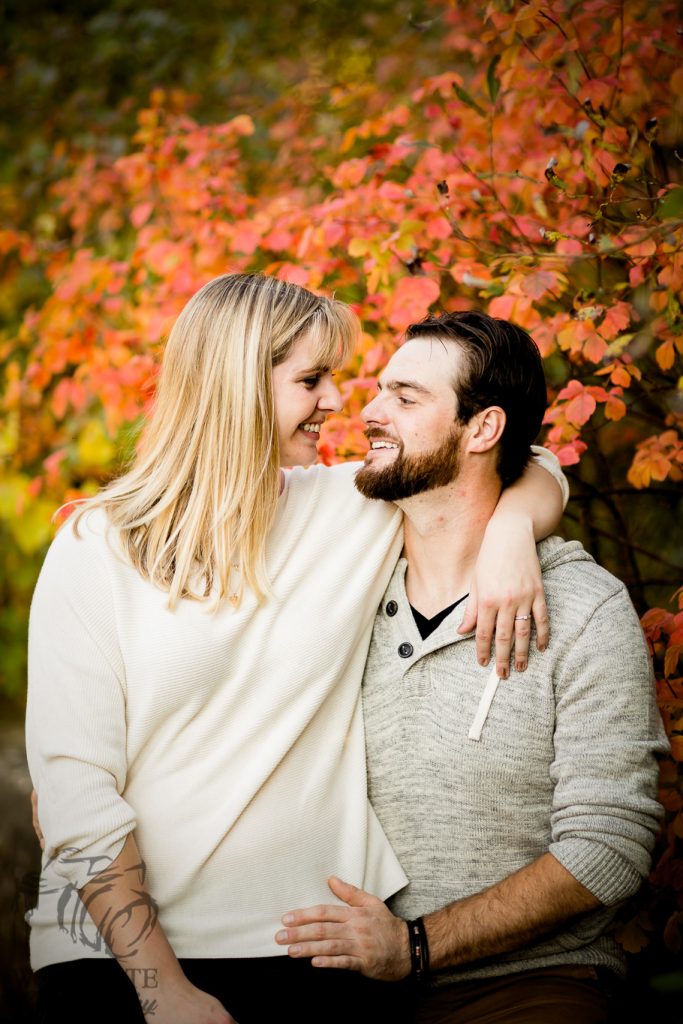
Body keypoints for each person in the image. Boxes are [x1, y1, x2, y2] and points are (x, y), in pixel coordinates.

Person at [26, 276, 567, 1024]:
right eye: (311, 380)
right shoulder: (97, 545)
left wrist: (511, 531)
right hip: (115, 960)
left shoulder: (352, 507)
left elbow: (528, 460)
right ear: (238, 384)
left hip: (312, 948)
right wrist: (162, 990)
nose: (337, 400)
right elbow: (73, 791)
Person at [275, 310, 668, 1023]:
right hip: (334, 983)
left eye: (405, 397)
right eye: (380, 391)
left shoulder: (583, 610)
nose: (369, 412)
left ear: (482, 429)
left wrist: (416, 946)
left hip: (525, 986)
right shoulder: (340, 577)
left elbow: (608, 847)